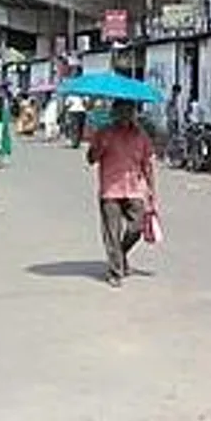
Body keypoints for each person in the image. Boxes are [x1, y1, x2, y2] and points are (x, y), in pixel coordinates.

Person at [86, 99, 156, 288]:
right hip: (110, 190)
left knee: (136, 228)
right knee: (112, 233)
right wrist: (99, 147)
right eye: (122, 111)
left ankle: (121, 253)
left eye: (129, 111)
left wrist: (151, 190)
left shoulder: (141, 135)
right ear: (115, 113)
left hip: (135, 189)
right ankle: (115, 271)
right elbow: (91, 159)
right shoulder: (104, 133)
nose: (126, 115)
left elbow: (148, 163)